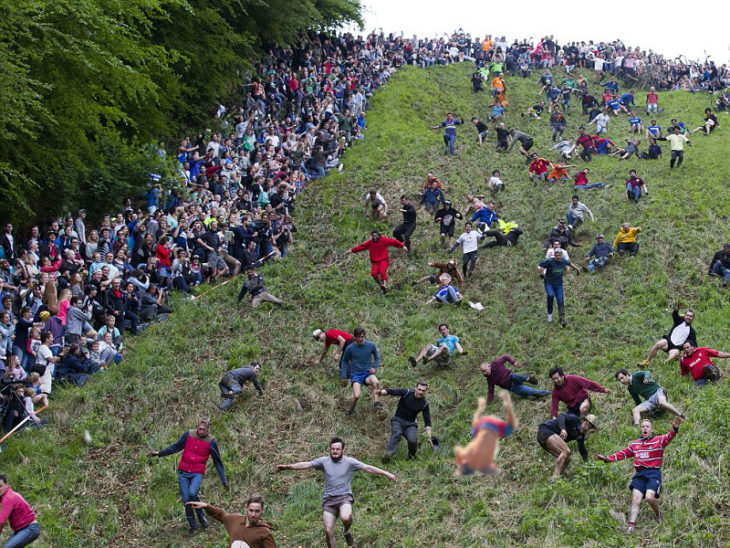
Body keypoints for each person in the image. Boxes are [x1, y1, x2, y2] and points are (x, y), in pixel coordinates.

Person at [276, 437, 397, 548]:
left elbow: (367, 467)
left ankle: (346, 531)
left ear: (342, 450)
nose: (335, 451)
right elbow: (307, 464)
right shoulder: (324, 461)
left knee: (345, 517)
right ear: (330, 449)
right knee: (328, 531)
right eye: (333, 449)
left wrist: (386, 473)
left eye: (337, 449)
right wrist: (288, 467)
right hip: (329, 500)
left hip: (344, 497)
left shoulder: (349, 462)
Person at [595, 417, 684, 533]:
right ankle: (631, 526)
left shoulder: (658, 441)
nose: (644, 428)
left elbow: (669, 436)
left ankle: (659, 515)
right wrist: (607, 459)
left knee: (649, 497)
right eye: (643, 427)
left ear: (652, 430)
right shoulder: (635, 445)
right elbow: (623, 454)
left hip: (653, 474)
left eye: (647, 427)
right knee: (635, 499)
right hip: (640, 475)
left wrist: (675, 427)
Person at [148, 419, 228, 535]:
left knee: (192, 493)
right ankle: (193, 526)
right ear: (197, 427)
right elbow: (176, 447)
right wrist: (159, 453)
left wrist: (223, 480)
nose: (201, 432)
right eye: (200, 429)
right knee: (186, 500)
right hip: (183, 472)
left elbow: (217, 461)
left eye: (204, 430)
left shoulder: (211, 441)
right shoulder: (189, 434)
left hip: (197, 472)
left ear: (208, 430)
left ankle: (201, 517)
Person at [454, 391, 515, 476]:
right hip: (491, 429)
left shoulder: (471, 450)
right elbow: (458, 451)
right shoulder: (476, 457)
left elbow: (458, 450)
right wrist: (508, 404)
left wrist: (480, 408)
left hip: (486, 429)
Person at [186, 494, 276, 548]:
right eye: (251, 510)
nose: (253, 514)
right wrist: (206, 506)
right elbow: (221, 514)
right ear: (246, 508)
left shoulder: (265, 533)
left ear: (262, 511)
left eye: (257, 511)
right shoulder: (236, 520)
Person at [380, 382, 434, 461]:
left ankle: (411, 457)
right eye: (419, 389)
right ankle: (388, 455)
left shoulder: (424, 403)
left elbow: (427, 421)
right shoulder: (407, 393)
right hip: (398, 420)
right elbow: (394, 391)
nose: (420, 392)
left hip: (410, 424)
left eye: (423, 390)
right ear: (415, 388)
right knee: (397, 433)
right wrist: (382, 392)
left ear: (425, 391)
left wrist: (429, 436)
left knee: (413, 440)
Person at [615, 369, 685, 426]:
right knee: (635, 410)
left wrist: (646, 378)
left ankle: (681, 415)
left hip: (658, 392)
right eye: (619, 380)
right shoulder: (630, 389)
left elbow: (647, 372)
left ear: (627, 374)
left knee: (662, 403)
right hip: (650, 400)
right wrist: (643, 409)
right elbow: (637, 401)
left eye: (622, 378)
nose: (621, 381)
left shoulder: (636, 375)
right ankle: (636, 427)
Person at [537, 413, 597, 479]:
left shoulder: (580, 435)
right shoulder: (575, 420)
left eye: (591, 427)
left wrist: (588, 465)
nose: (587, 428)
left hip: (547, 439)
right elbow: (561, 416)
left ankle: (555, 478)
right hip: (546, 430)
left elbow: (582, 450)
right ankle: (555, 476)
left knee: (566, 458)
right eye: (588, 424)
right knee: (566, 451)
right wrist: (563, 429)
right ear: (584, 421)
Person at [340, 327, 382, 415]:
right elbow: (344, 361)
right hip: (356, 375)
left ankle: (377, 405)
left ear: (364, 336)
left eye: (362, 336)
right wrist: (344, 375)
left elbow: (377, 357)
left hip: (367, 373)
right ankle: (350, 411)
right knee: (356, 395)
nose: (360, 339)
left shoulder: (370, 345)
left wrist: (374, 367)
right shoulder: (350, 348)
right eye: (358, 337)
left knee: (376, 382)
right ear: (355, 337)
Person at [480, 355, 550, 403]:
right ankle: (547, 393)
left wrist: (513, 362)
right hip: (512, 387)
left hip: (513, 377)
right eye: (483, 372)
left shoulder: (496, 364)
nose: (485, 373)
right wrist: (488, 402)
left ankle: (528, 378)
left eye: (485, 370)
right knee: (531, 392)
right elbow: (491, 392)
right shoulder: (490, 380)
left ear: (488, 366)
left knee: (513, 376)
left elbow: (506, 357)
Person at [538, 248, 576, 326]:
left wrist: (577, 269)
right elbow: (539, 265)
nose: (558, 257)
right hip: (549, 283)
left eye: (560, 255)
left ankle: (562, 319)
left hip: (559, 284)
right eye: (557, 255)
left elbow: (569, 263)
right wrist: (541, 270)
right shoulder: (549, 261)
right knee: (550, 296)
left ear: (562, 255)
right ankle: (550, 314)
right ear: (554, 255)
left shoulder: (563, 261)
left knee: (560, 300)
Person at [0, 475, 40, 547]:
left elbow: (1, 521)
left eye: (0, 486)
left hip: (30, 528)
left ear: (6, 485)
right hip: (21, 530)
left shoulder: (8, 498)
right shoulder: (9, 494)